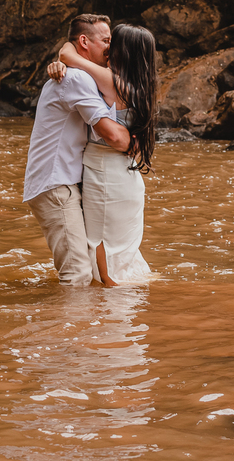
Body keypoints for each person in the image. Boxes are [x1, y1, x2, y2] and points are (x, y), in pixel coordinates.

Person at [23, 14, 133, 286]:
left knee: (86, 269)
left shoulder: (80, 74)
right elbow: (114, 137)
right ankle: (68, 327)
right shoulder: (74, 79)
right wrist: (141, 142)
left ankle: (86, 325)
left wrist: (67, 54)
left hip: (63, 182)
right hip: (57, 185)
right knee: (78, 275)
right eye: (106, 40)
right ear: (84, 41)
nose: (111, 47)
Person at [54, 24, 158, 286]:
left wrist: (61, 56)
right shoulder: (141, 88)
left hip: (106, 175)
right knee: (121, 250)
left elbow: (69, 55)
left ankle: (109, 317)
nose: (108, 51)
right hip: (125, 176)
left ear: (123, 52)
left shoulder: (113, 82)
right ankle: (126, 313)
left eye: (113, 45)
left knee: (104, 249)